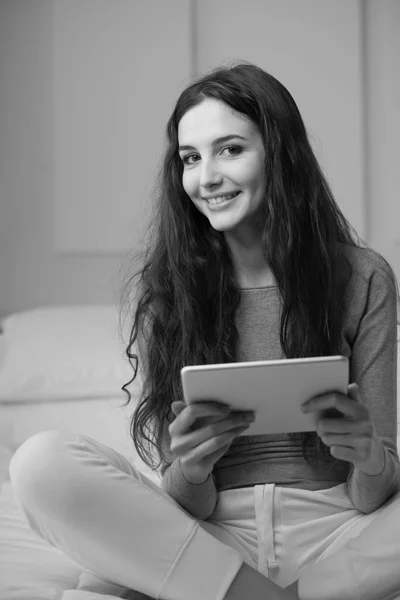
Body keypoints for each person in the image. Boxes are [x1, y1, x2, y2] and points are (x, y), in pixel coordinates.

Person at [9, 62, 400, 600]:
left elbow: (370, 498)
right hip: (211, 543)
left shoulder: (363, 277)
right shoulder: (170, 288)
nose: (206, 177)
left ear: (281, 154)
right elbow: (187, 504)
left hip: (338, 535)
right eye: (190, 158)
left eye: (230, 149)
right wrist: (191, 467)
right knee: (40, 462)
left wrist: (370, 455)